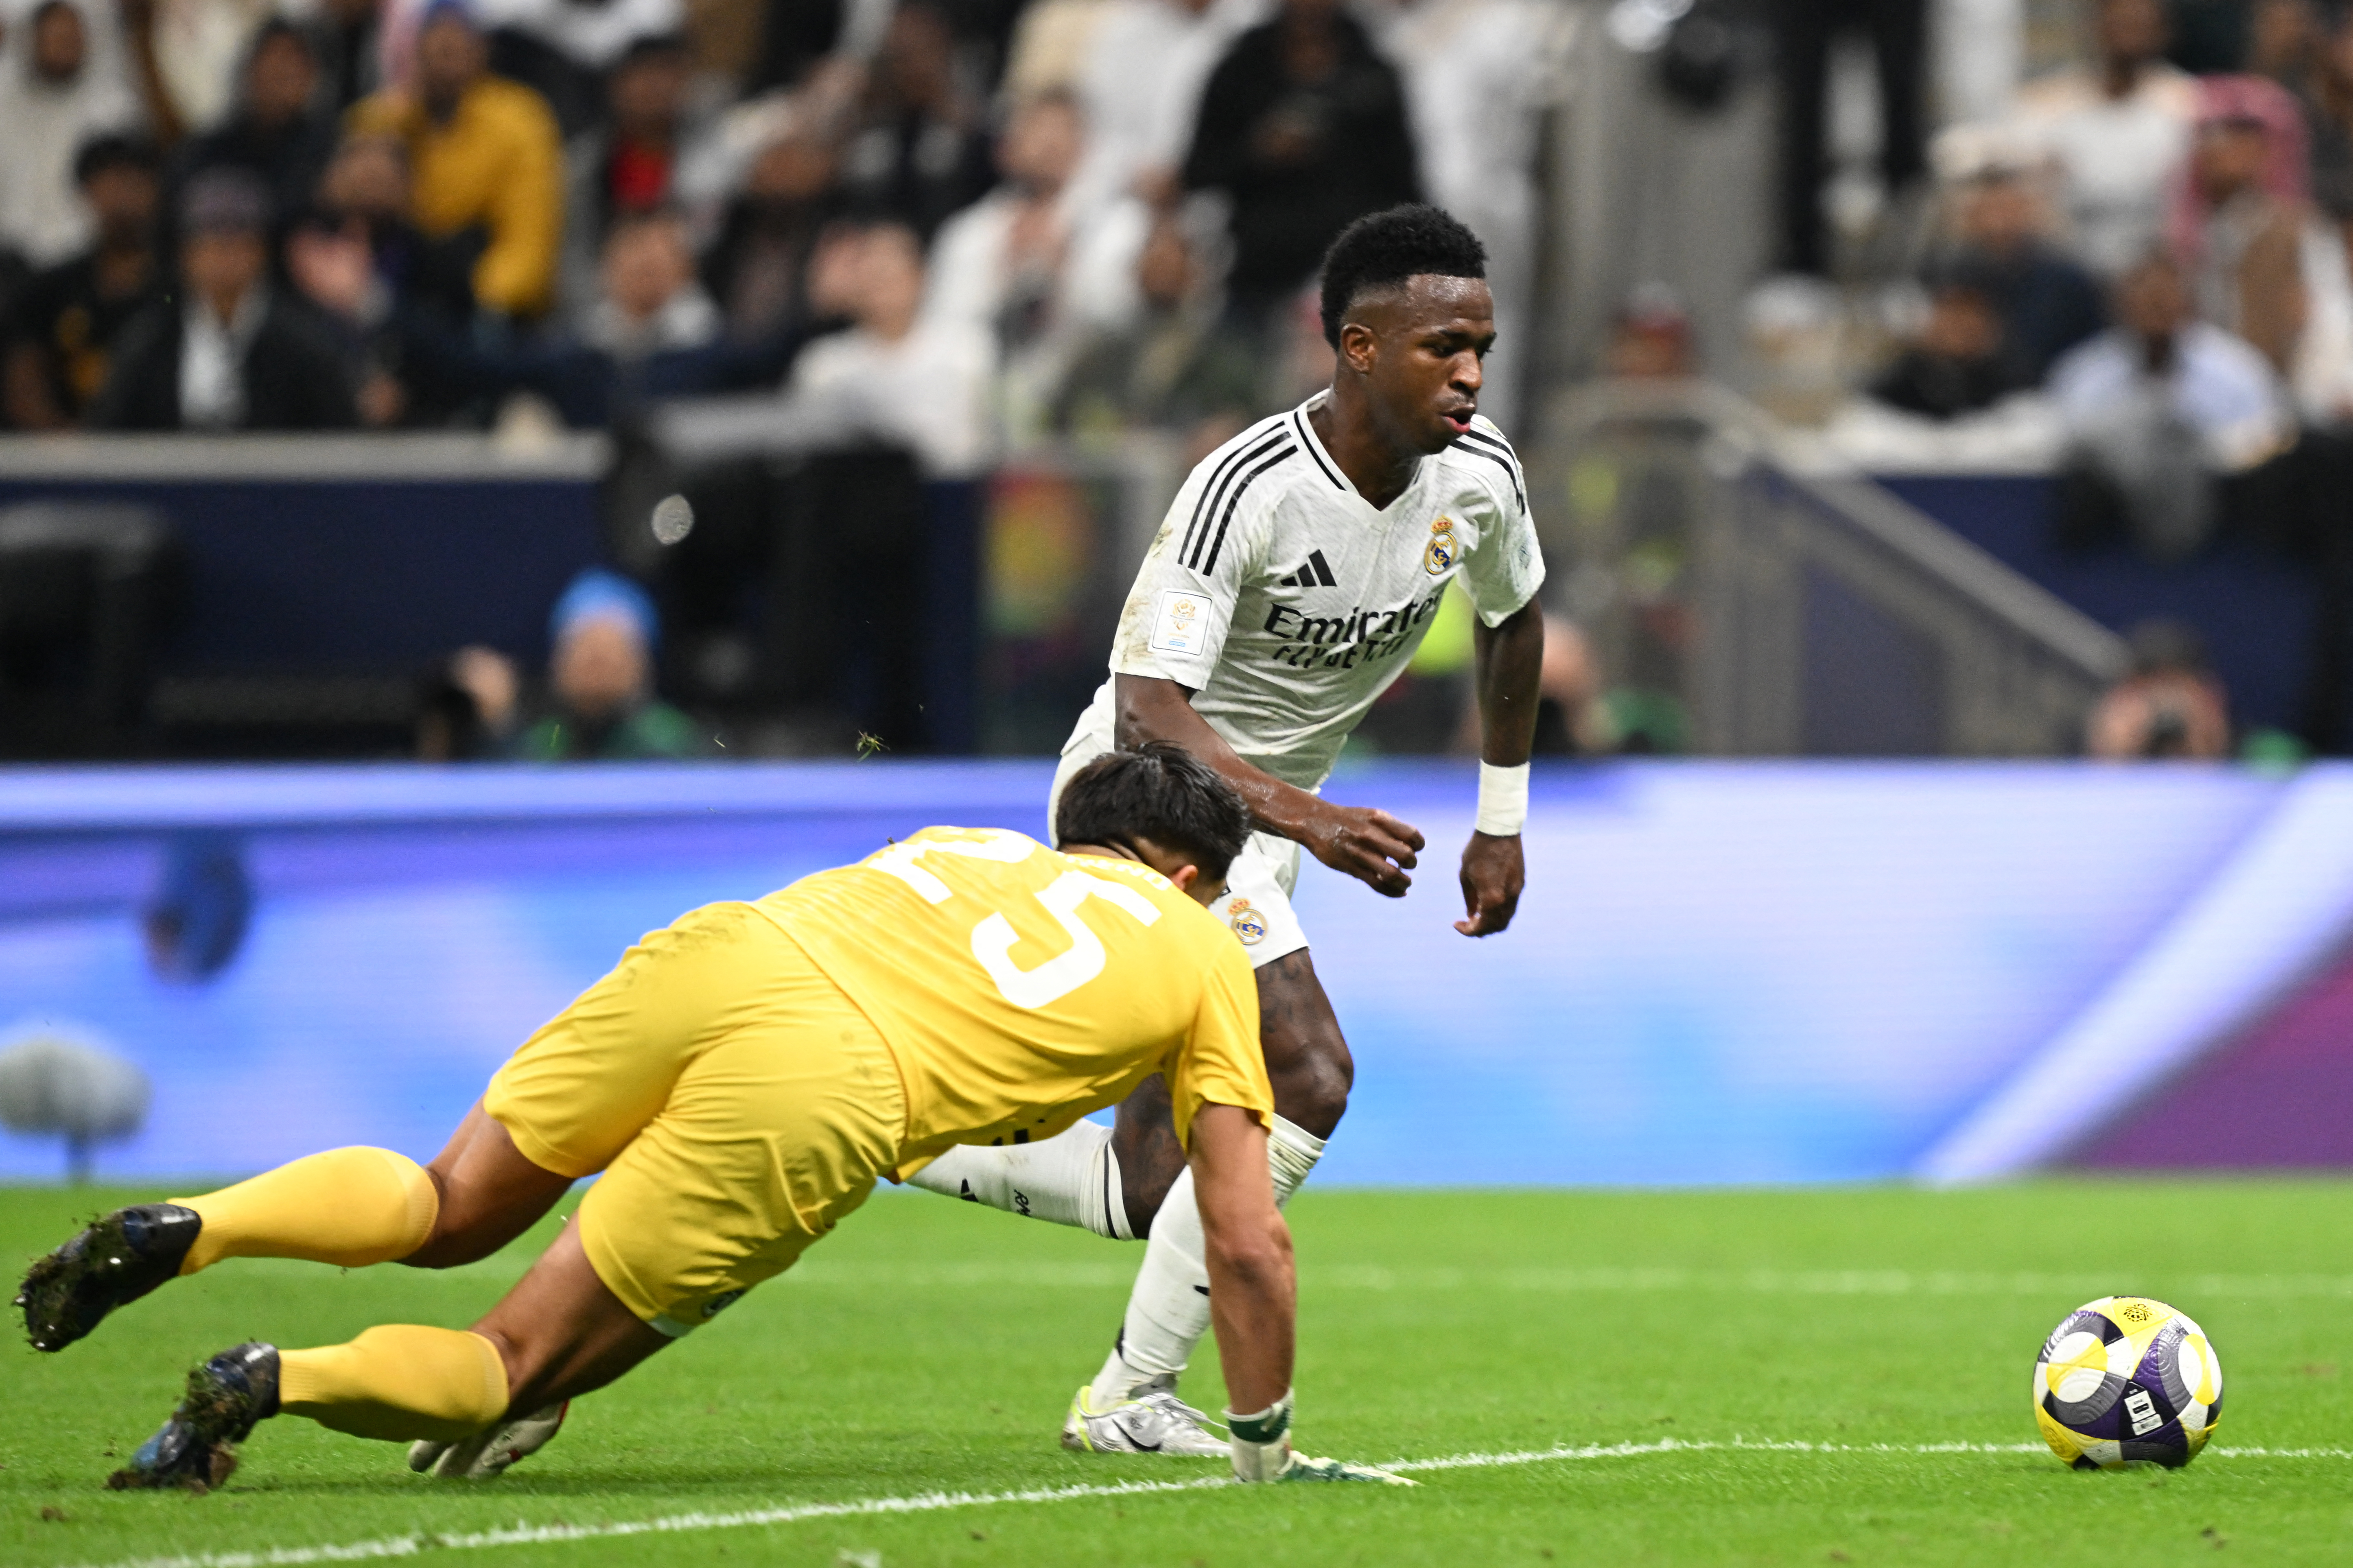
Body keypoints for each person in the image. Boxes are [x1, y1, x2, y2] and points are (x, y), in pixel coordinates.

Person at [20, 747, 1408, 1491]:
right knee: (513, 1362)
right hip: (832, 1078)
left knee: (447, 1204)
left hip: (730, 947)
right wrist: (1263, 1439)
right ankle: (269, 1382)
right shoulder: (1206, 947)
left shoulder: (975, 846)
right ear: (1184, 868)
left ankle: (195, 1224)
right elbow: (1240, 1233)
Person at [899, 203, 1544, 1457]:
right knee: (1305, 1070)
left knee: (1157, 1187)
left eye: (1482, 345)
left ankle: (894, 1127)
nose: (1469, 372)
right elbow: (1147, 708)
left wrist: (1500, 818)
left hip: (1263, 822)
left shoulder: (1481, 479)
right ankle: (1131, 1399)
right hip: (1140, 805)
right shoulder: (1246, 487)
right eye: (1440, 347)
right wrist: (1306, 813)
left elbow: (1515, 618)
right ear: (1357, 349)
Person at [1180, 0, 1421, 327]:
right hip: (1258, 274)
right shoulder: (1242, 70)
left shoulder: (1373, 73)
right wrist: (1259, 153)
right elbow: (1198, 170)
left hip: (1353, 281)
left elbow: (1403, 184)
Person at [89, 169, 360, 430]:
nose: (225, 259)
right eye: (211, 243)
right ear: (186, 254)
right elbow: (110, 438)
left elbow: (339, 439)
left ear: (262, 252)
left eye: (238, 242)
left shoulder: (305, 345)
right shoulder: (149, 343)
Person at [347, 0, 565, 321]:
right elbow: (342, 207)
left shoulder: (521, 120)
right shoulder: (383, 120)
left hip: (485, 305)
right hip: (395, 287)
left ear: (482, 52)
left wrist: (472, 297)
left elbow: (529, 248)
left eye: (458, 46)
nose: (446, 60)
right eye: (436, 46)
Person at [2014, 0, 2198, 279]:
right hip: (2070, 270)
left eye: (2140, 27)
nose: (2128, 37)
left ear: (2162, 33)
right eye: (2119, 25)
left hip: (2160, 270)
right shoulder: (2048, 105)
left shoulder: (2186, 104)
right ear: (2094, 27)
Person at [2, 133, 165, 430]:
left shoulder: (175, 291)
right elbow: (22, 372)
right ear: (85, 192)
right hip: (62, 460)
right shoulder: (49, 290)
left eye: (135, 182)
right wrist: (61, 443)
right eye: (109, 183)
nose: (123, 198)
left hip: (156, 455)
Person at [0, 0, 141, 273]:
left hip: (86, 263)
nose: (63, 46)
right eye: (53, 37)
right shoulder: (5, 107)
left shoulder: (115, 112)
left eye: (71, 38)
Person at [167, 19, 339, 240]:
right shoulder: (204, 153)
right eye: (271, 59)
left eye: (294, 61)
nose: (280, 71)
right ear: (248, 71)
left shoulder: (332, 152)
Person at [512, 568, 706, 760]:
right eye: (585, 649)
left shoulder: (673, 742)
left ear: (643, 664)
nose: (599, 668)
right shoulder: (543, 743)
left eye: (613, 651)